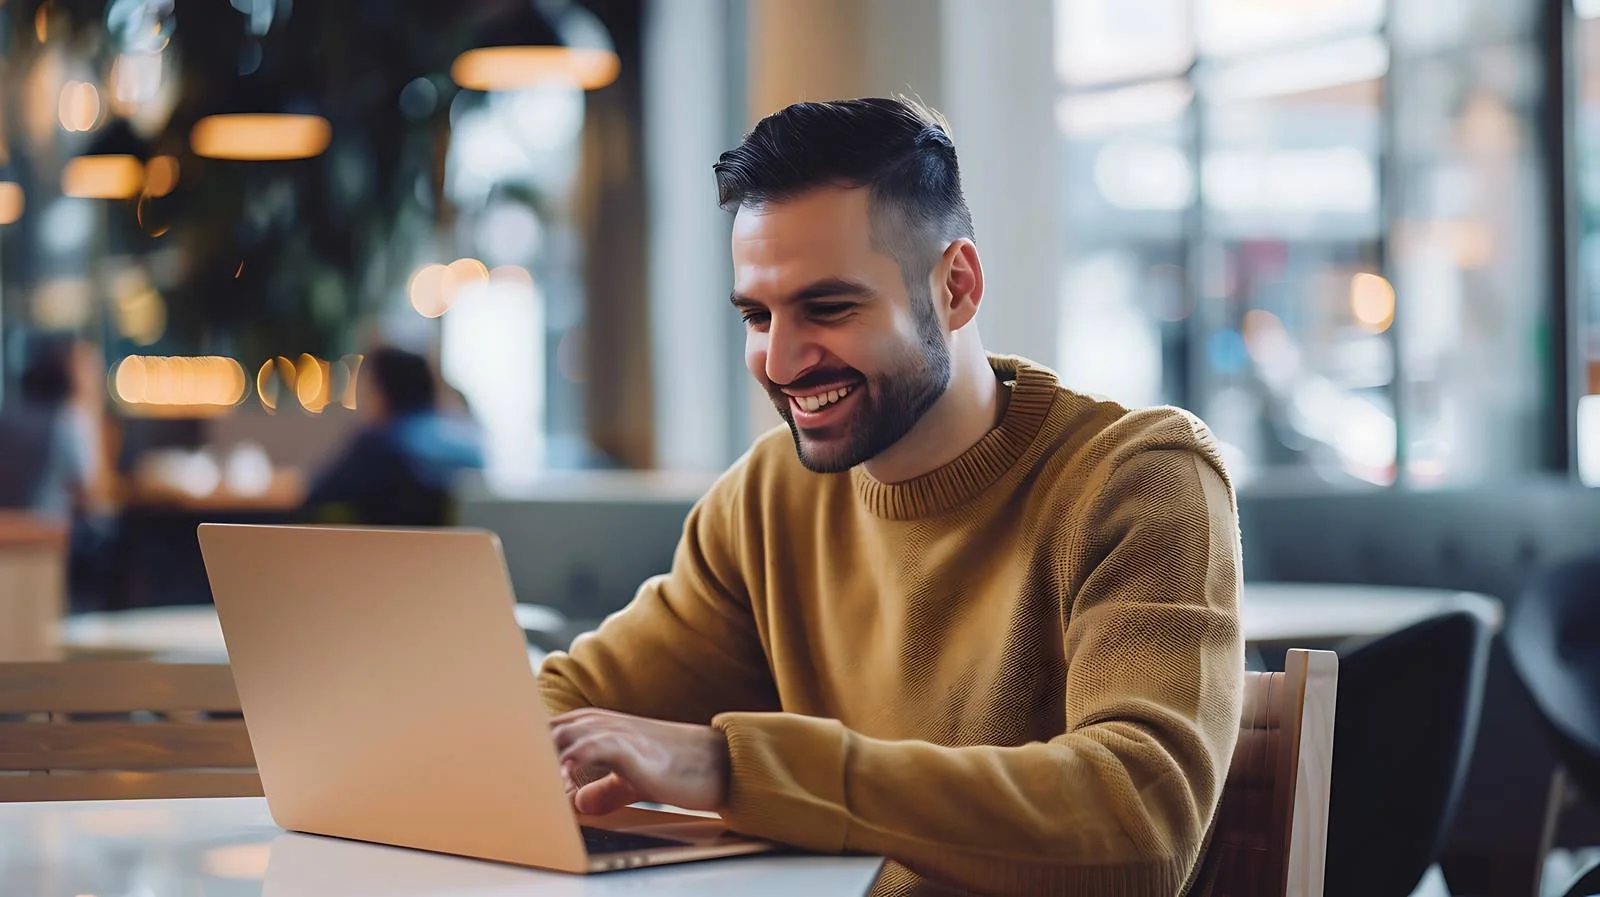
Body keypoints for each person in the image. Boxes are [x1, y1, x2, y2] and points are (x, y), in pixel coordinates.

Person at [538, 98, 1244, 896]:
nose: (781, 358)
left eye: (828, 307)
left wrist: (732, 767)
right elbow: (565, 705)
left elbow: (1140, 825)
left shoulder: (1138, 478)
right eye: (756, 315)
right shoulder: (769, 497)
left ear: (957, 286)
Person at [302, 346, 484, 526]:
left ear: (384, 391)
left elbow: (317, 494)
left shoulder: (377, 445)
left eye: (368, 387)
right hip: (452, 550)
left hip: (377, 547)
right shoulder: (465, 446)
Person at [0, 336, 94, 520]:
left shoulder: (13, 416)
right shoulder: (71, 419)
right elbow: (90, 490)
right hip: (52, 529)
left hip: (14, 526)